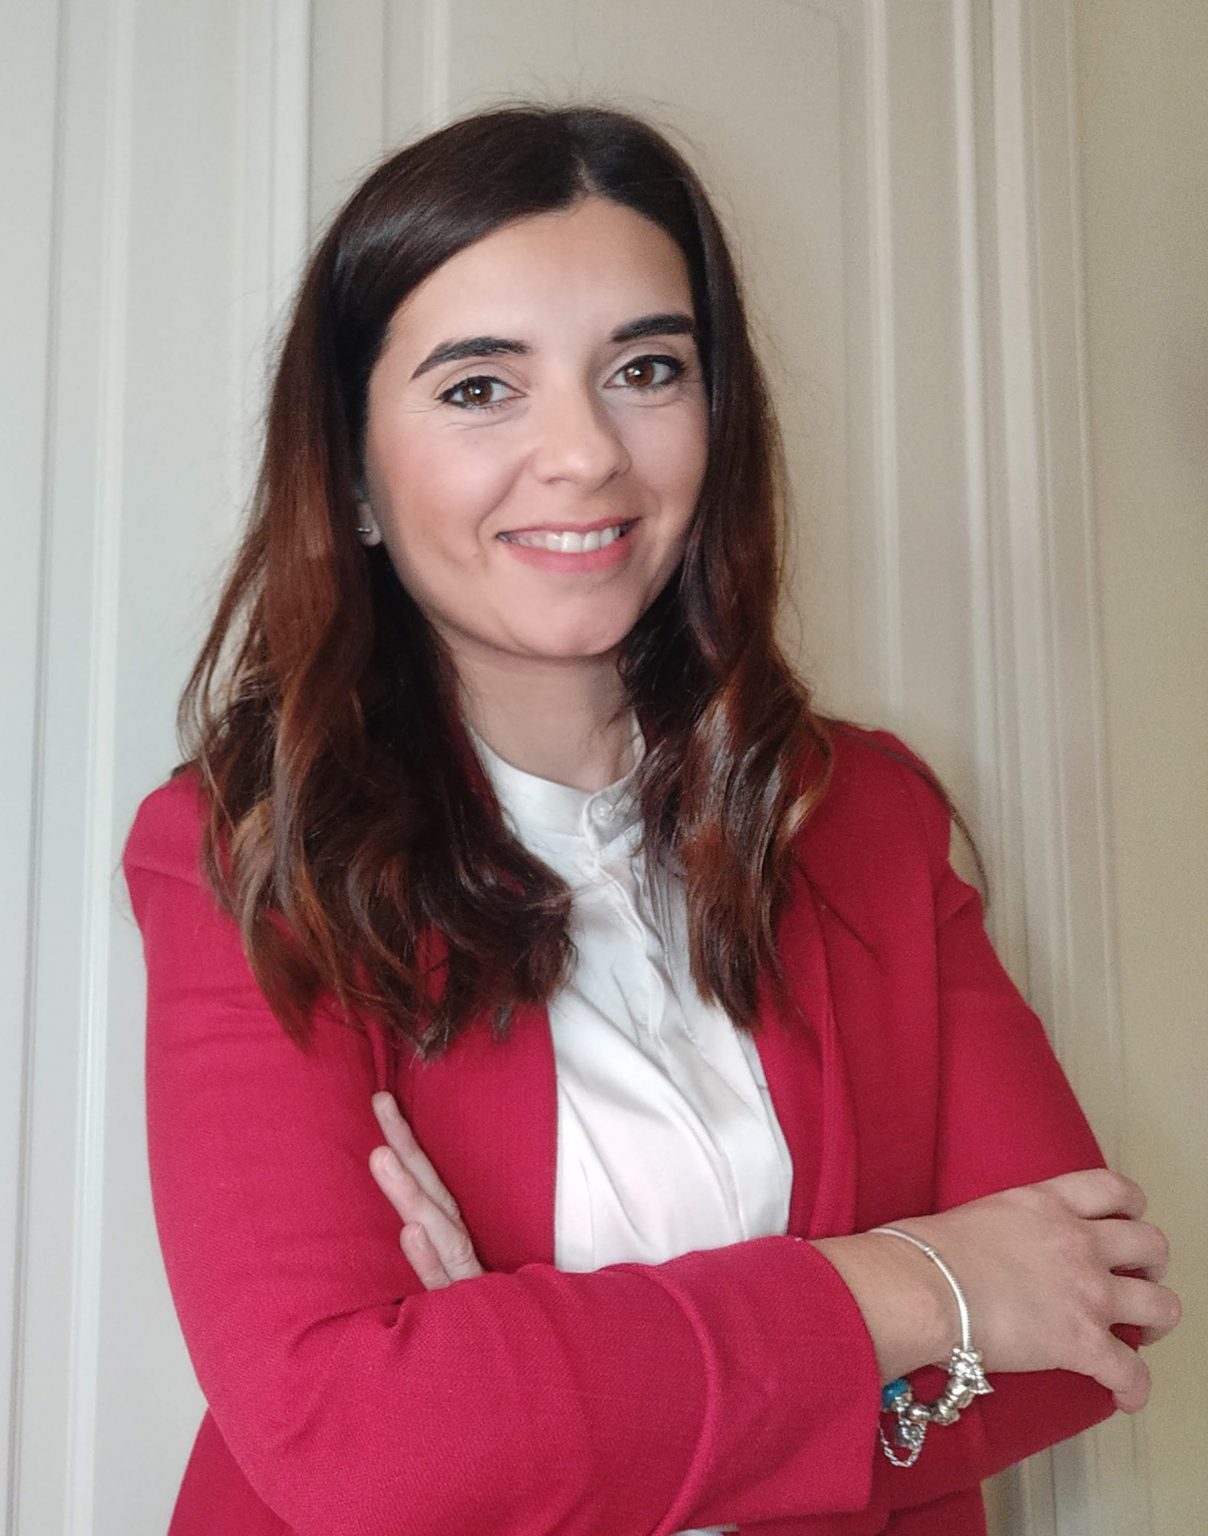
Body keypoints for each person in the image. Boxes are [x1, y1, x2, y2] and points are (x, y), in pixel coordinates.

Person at [123, 104, 1179, 1536]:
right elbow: (358, 1446)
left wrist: (530, 1390)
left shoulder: (864, 814)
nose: (584, 455)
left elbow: (1086, 1322)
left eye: (644, 369)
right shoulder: (250, 850)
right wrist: (917, 1285)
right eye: (480, 387)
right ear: (353, 473)